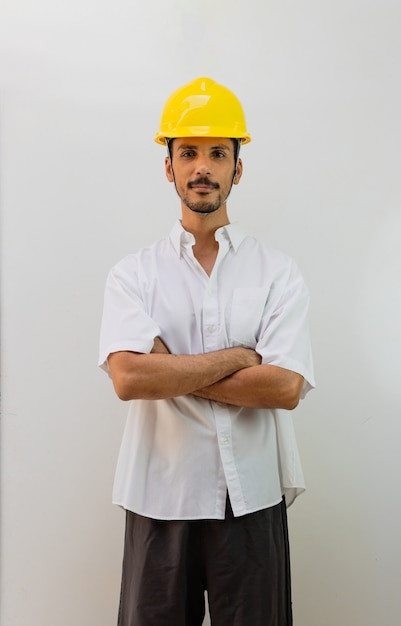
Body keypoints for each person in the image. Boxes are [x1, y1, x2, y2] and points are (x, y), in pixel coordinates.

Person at [99, 77, 315, 626]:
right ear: (168, 166)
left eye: (218, 153)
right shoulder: (134, 275)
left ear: (237, 168)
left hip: (251, 497)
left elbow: (285, 388)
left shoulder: (277, 273)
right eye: (188, 152)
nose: (203, 167)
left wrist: (167, 365)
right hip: (159, 495)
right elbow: (128, 378)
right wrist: (241, 357)